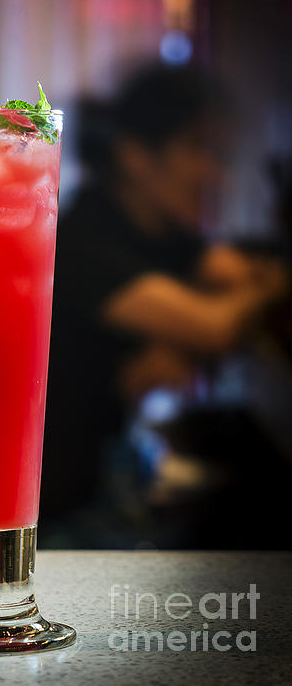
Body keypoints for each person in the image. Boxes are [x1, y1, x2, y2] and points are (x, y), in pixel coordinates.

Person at [40, 61, 291, 549]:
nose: (214, 174)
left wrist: (185, 348)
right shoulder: (83, 242)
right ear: (135, 155)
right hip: (58, 506)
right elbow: (216, 324)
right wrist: (261, 293)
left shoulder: (164, 230)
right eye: (198, 149)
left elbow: (236, 278)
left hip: (109, 472)